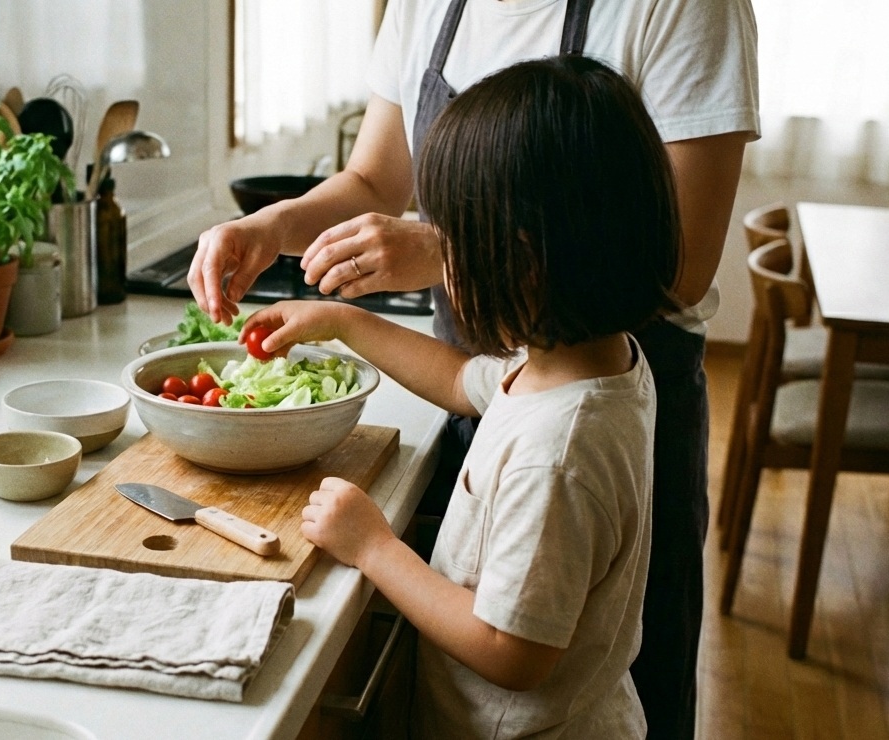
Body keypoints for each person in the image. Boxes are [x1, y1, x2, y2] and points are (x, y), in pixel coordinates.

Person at [190, 2, 759, 736]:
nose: (442, 265)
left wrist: (374, 547)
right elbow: (465, 380)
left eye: (456, 241)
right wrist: (331, 304)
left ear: (517, 262)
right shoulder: (563, 373)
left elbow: (511, 649)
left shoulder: (560, 450)